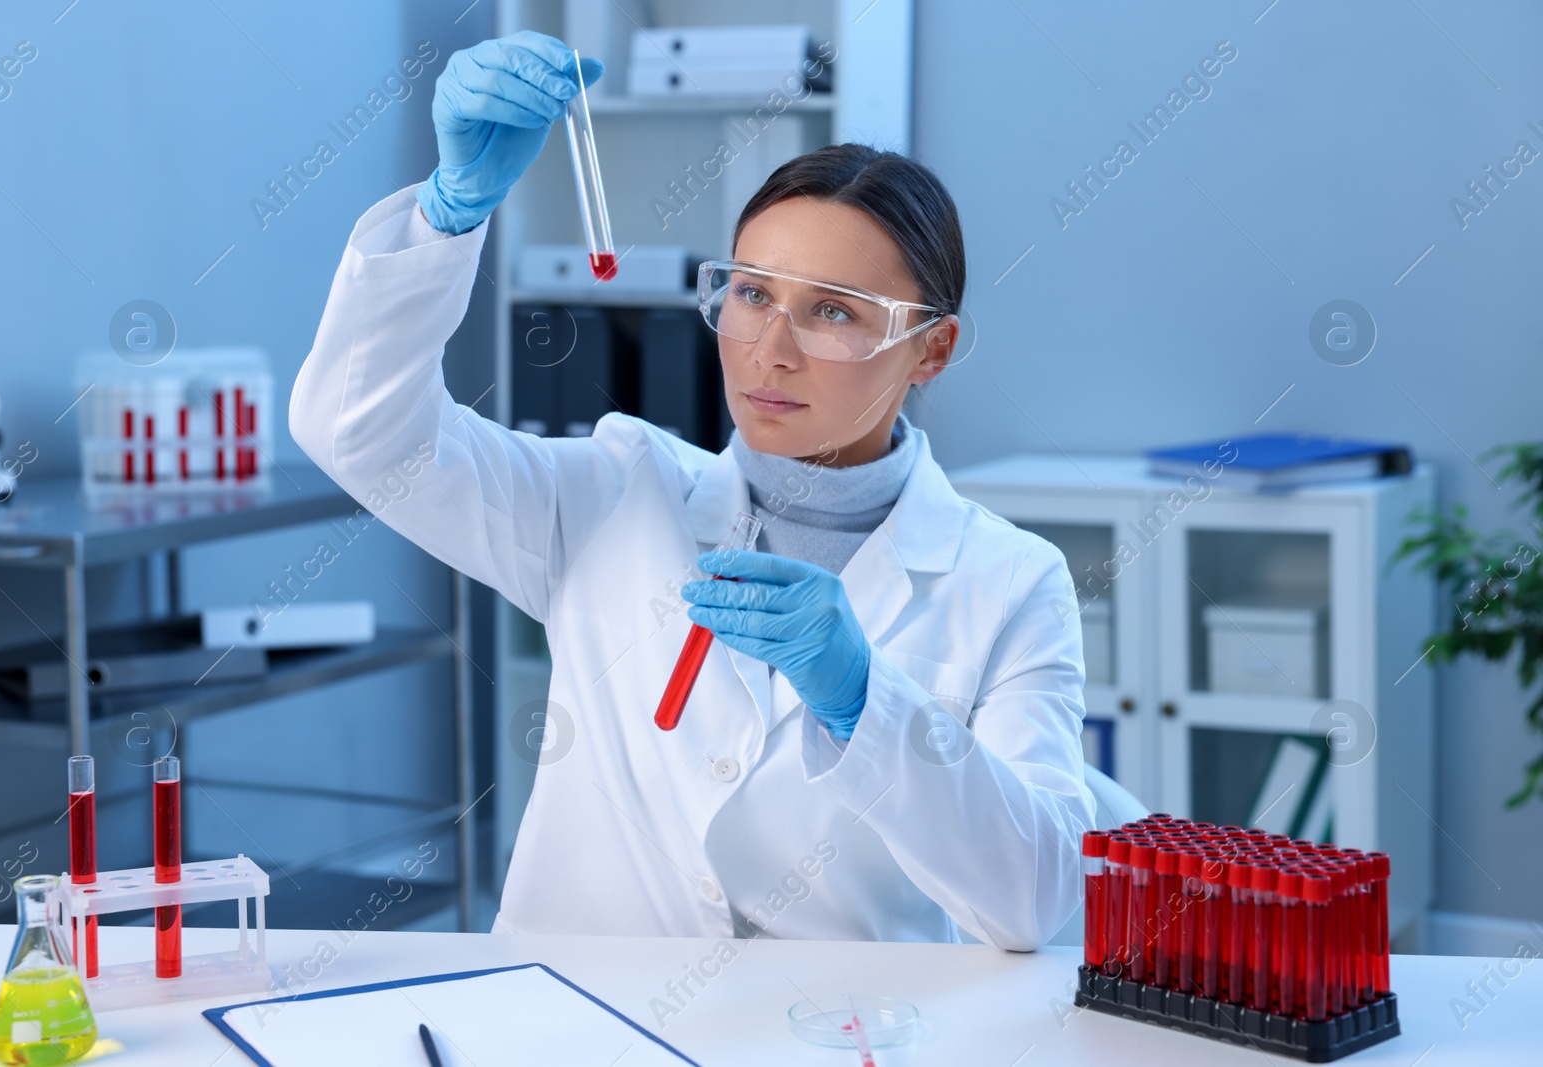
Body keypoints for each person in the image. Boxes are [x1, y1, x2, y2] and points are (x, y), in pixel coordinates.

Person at [290, 31, 1095, 949]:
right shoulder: (608, 496)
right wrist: (448, 215)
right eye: (752, 293)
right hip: (574, 1025)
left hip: (837, 1036)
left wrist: (865, 698)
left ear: (933, 350)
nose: (771, 349)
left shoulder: (1013, 583)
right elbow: (356, 428)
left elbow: (1038, 900)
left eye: (833, 311)